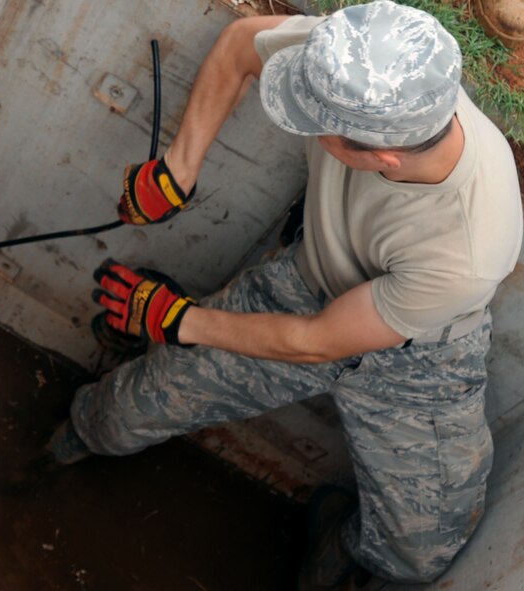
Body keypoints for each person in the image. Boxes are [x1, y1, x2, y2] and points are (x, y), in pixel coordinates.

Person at [46, 1, 524, 588]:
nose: (300, 123)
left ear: (381, 157)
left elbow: (318, 342)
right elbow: (242, 43)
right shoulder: (363, 68)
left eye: (314, 125)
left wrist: (179, 320)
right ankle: (63, 446)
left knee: (422, 554)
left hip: (418, 360)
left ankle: (338, 541)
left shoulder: (469, 248)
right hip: (308, 285)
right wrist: (177, 170)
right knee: (132, 410)